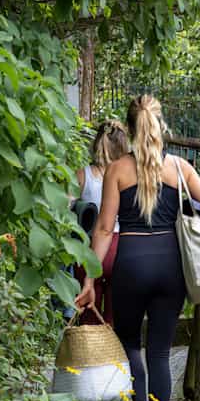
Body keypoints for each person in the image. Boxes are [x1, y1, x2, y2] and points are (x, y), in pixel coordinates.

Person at [75, 95, 200, 401]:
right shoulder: (180, 168)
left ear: (131, 128)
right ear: (160, 126)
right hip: (170, 265)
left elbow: (105, 228)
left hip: (131, 265)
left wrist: (90, 279)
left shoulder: (118, 170)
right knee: (159, 352)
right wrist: (182, 210)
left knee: (129, 343)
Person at [70, 120, 129, 323]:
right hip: (119, 248)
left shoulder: (82, 175)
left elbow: (63, 209)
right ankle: (113, 351)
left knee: (87, 312)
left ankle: (88, 350)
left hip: (89, 250)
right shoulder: (126, 177)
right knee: (117, 316)